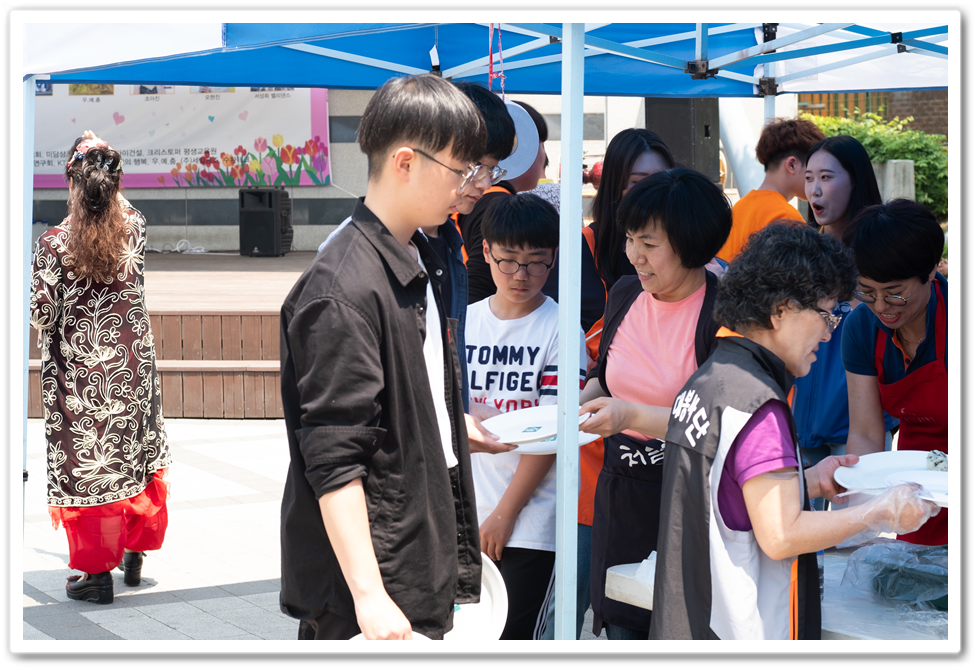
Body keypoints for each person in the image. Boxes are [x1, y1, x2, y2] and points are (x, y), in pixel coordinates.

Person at [650, 223, 939, 640]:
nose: (830, 332)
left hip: (691, 618)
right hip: (744, 632)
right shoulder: (760, 404)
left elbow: (733, 497)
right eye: (826, 314)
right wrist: (878, 512)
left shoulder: (711, 379)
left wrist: (808, 482)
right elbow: (782, 535)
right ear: (782, 309)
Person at [279, 74, 485, 640]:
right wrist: (369, 596)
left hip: (411, 550)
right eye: (458, 168)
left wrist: (451, 425)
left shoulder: (414, 253)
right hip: (372, 585)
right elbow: (334, 456)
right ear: (405, 162)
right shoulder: (342, 288)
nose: (465, 184)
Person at [574, 167, 732, 639]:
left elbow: (722, 423)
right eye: (629, 239)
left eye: (649, 243)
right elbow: (604, 377)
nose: (634, 255)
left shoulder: (723, 313)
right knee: (624, 628)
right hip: (622, 494)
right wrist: (572, 409)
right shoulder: (626, 294)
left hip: (692, 504)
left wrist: (631, 415)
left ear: (691, 244)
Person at [31, 130, 171, 605]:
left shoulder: (53, 244)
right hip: (131, 368)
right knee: (133, 455)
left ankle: (96, 575)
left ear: (71, 182)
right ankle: (134, 551)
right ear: (113, 183)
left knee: (91, 465)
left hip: (81, 377)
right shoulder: (135, 227)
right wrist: (101, 159)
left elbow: (42, 315)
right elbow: (118, 202)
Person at [465, 192, 587, 639]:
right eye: (508, 261)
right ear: (485, 252)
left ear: (554, 258)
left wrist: (505, 513)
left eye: (537, 263)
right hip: (466, 514)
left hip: (530, 522)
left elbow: (553, 433)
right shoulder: (463, 321)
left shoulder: (561, 328)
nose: (521, 275)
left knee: (514, 642)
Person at [793, 135, 898, 497]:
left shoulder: (880, 252)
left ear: (856, 181)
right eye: (809, 178)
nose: (814, 190)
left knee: (854, 526)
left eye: (826, 177)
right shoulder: (801, 252)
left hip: (860, 425)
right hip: (800, 425)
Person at [842, 199, 948, 546]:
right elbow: (866, 433)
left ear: (930, 272)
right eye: (866, 291)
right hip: (915, 484)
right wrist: (859, 517)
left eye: (894, 294)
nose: (881, 307)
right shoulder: (861, 328)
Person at [716, 117, 824, 263]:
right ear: (792, 165)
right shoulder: (787, 217)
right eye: (811, 170)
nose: (817, 181)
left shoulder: (739, 207)